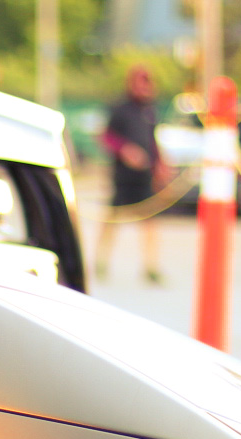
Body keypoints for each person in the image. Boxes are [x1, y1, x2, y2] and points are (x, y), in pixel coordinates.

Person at [96, 65, 170, 284]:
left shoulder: (150, 110)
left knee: (149, 221)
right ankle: (101, 260)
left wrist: (161, 164)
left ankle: (151, 266)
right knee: (113, 219)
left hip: (144, 176)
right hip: (123, 175)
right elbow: (106, 136)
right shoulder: (120, 108)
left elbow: (152, 140)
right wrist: (125, 150)